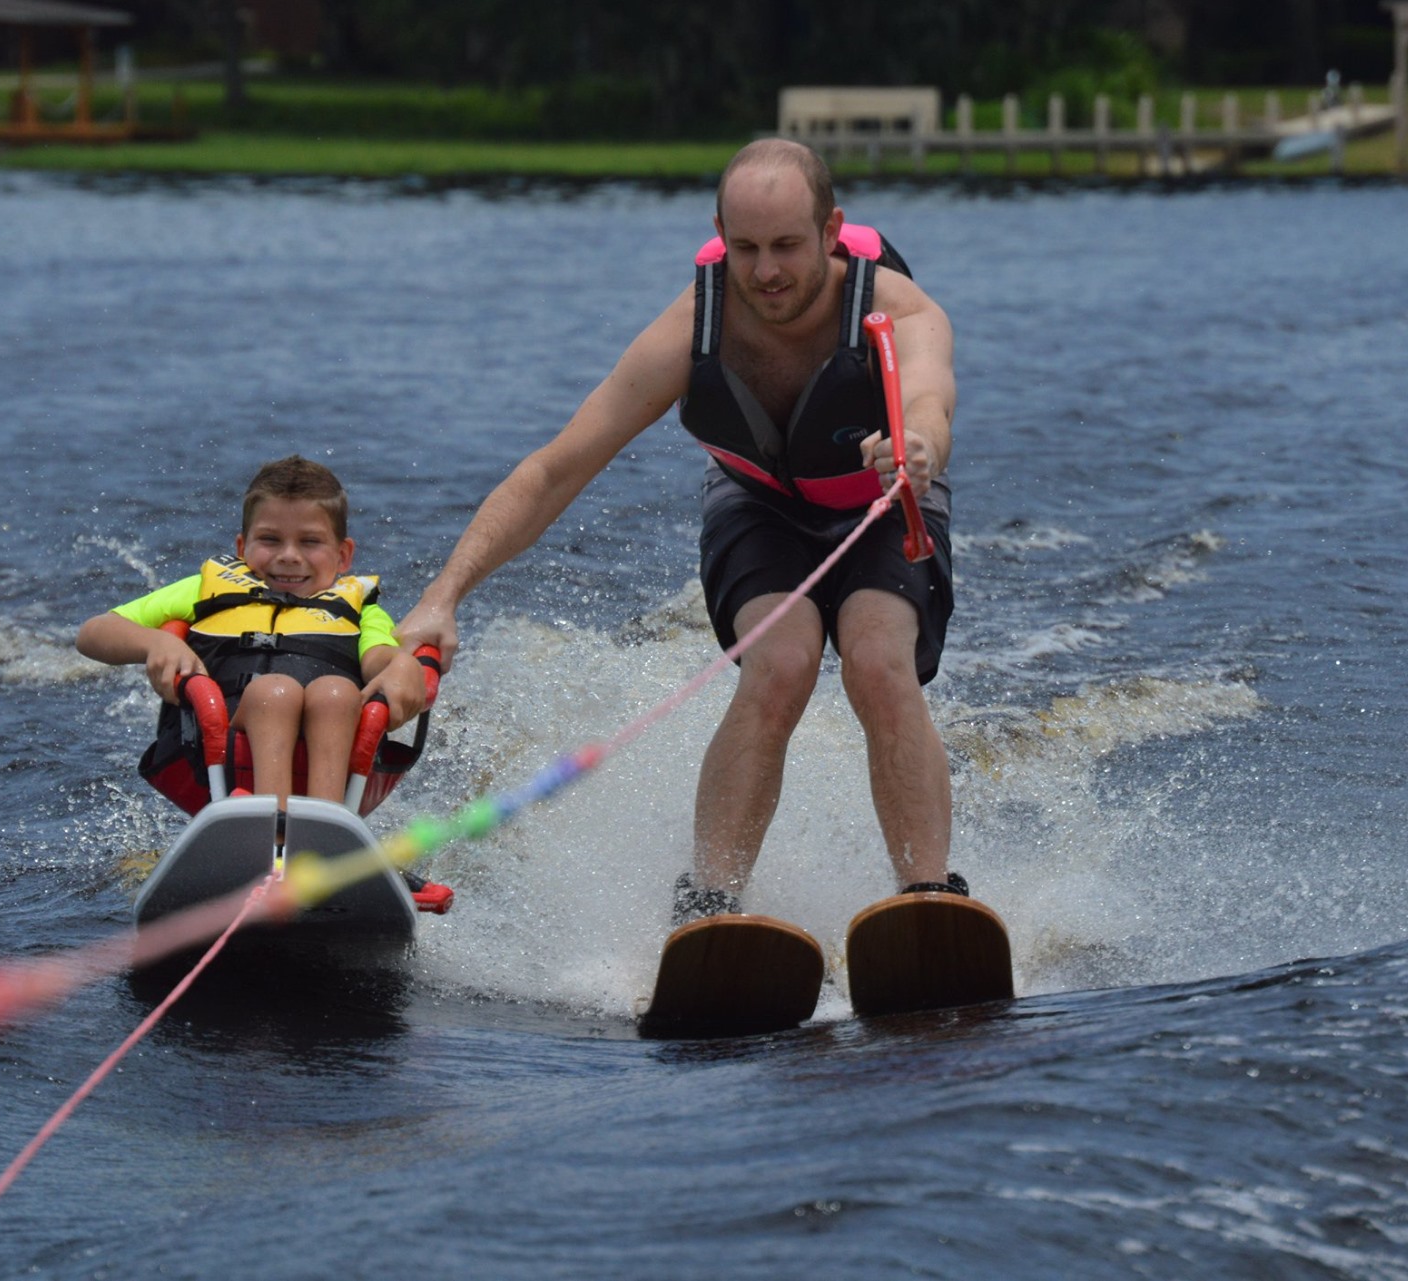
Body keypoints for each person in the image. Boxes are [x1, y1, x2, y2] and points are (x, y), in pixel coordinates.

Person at [399, 139, 961, 924]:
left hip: (887, 491)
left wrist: (916, 446)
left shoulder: (898, 310)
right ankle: (709, 907)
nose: (765, 272)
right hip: (758, 504)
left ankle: (929, 899)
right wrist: (443, 594)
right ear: (719, 234)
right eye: (746, 247)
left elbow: (931, 396)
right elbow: (557, 469)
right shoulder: (693, 327)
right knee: (782, 662)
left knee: (876, 659)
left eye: (788, 246)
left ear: (832, 230)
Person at [77, 455, 429, 809]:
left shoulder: (359, 609)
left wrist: (402, 665)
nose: (289, 556)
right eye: (271, 539)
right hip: (219, 745)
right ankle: (270, 830)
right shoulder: (204, 590)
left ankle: (328, 825)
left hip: (333, 735)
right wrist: (156, 641)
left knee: (336, 693)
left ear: (343, 555)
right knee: (274, 693)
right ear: (242, 548)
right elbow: (94, 633)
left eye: (310, 542)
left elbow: (379, 658)